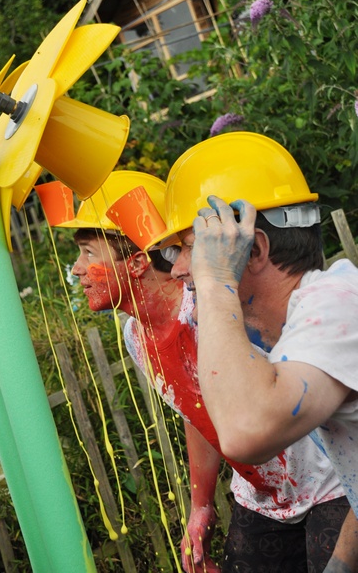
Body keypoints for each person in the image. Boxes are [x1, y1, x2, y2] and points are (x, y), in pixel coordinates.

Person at [148, 130, 358, 572]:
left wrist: (216, 281)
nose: (180, 269)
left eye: (190, 249)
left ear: (255, 250)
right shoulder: (309, 319)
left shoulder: (337, 304)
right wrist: (343, 559)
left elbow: (245, 433)